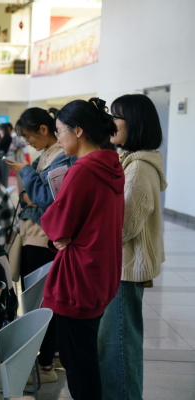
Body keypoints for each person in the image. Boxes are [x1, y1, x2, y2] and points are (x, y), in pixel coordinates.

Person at [40, 98, 124, 400]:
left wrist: (57, 234)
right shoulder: (111, 165)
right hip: (100, 273)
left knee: (78, 365)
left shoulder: (83, 170)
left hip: (77, 279)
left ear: (78, 131)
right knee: (85, 357)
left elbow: (57, 224)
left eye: (60, 131)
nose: (58, 139)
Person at [98, 94, 168, 400]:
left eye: (116, 117)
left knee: (119, 349)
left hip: (124, 271)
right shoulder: (130, 161)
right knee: (116, 345)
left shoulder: (138, 169)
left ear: (135, 123)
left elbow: (124, 227)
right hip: (121, 266)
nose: (110, 122)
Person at [6, 107, 76, 383]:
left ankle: (45, 364)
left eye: (29, 136)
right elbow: (29, 195)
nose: (28, 142)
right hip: (33, 234)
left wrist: (26, 175)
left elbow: (44, 198)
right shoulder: (46, 154)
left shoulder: (61, 157)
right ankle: (50, 356)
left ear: (44, 129)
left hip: (42, 238)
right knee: (38, 301)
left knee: (41, 303)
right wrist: (29, 191)